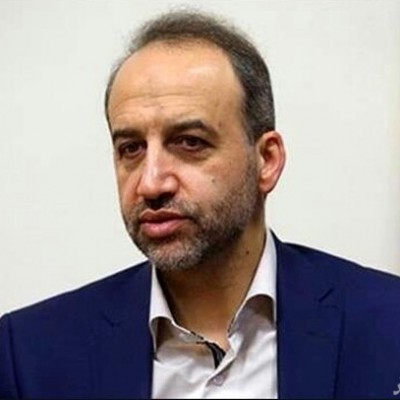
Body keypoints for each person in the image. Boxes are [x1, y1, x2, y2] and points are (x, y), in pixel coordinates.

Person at [1, 9, 400, 399]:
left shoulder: (387, 323)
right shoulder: (31, 355)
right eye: (131, 148)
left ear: (266, 160)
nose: (151, 183)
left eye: (190, 142)